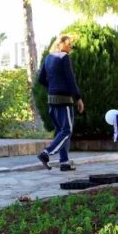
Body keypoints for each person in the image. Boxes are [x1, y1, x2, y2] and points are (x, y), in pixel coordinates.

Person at [37, 34, 84, 172]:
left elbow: (41, 79)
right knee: (67, 130)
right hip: (64, 100)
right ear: (60, 44)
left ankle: (64, 163)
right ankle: (46, 154)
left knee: (60, 131)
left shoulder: (48, 58)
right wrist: (78, 98)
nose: (70, 47)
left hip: (52, 99)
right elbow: (71, 79)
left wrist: (53, 87)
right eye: (68, 44)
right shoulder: (64, 57)